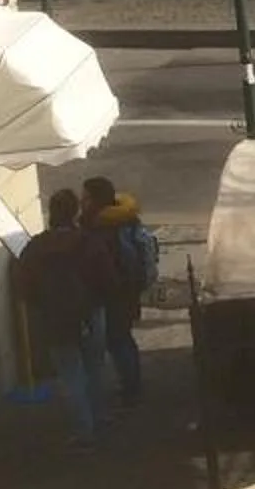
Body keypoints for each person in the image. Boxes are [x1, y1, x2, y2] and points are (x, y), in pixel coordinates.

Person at [14, 189, 109, 449]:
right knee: (94, 368)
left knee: (70, 375)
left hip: (55, 318)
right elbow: (106, 278)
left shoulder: (36, 246)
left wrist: (41, 306)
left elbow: (24, 285)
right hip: (90, 314)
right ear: (75, 212)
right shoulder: (87, 242)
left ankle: (83, 431)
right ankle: (100, 418)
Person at [80, 176, 159, 411]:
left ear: (95, 201)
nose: (81, 202)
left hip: (114, 294)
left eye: (85, 198)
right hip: (129, 291)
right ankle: (132, 385)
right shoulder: (126, 219)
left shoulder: (102, 228)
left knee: (117, 341)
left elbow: (100, 266)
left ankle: (131, 390)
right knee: (124, 339)